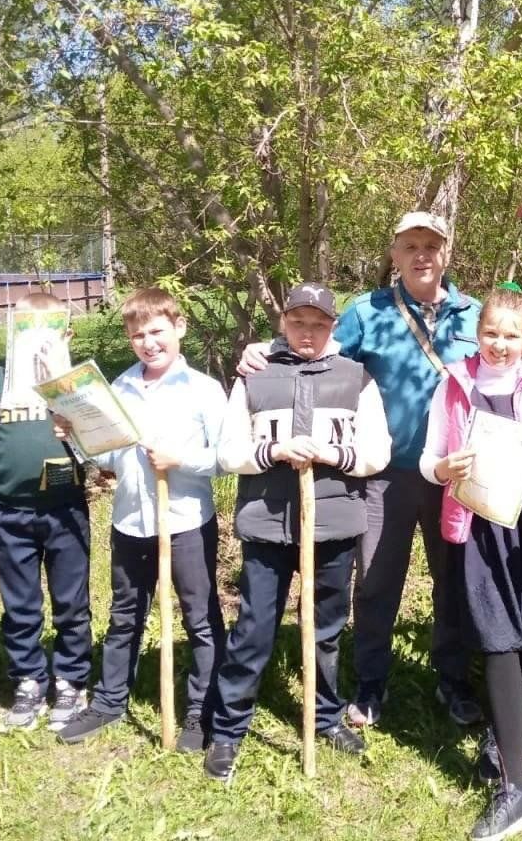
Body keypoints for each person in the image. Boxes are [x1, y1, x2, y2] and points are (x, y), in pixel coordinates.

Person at [239, 211, 482, 728]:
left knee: (453, 582)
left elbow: (500, 371)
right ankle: (371, 683)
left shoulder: (471, 315)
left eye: (431, 246)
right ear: (393, 255)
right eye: (410, 246)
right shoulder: (367, 312)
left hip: (453, 475)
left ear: (446, 253)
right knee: (375, 582)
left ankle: (453, 679)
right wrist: (264, 350)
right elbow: (315, 351)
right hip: (383, 476)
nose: (422, 255)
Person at [204, 283, 392, 781]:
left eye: (318, 323)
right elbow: (228, 452)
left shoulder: (356, 379)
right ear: (283, 322)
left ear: (333, 327)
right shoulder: (256, 376)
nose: (307, 333)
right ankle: (228, 729)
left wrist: (332, 455)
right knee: (254, 629)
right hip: (267, 524)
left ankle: (325, 716)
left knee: (326, 630)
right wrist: (275, 452)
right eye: (298, 322)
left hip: (332, 525)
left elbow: (378, 452)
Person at [422, 287, 522, 841]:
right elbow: (428, 460)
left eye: (511, 335)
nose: (499, 343)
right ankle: (518, 790)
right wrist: (445, 467)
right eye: (491, 332)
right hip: (478, 526)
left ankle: (502, 735)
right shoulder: (453, 385)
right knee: (496, 637)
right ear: (478, 332)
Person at [54, 287, 226, 752]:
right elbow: (105, 458)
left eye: (156, 332)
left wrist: (180, 459)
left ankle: (201, 711)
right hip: (131, 520)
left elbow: (227, 457)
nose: (148, 343)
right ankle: (109, 702)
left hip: (185, 521)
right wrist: (75, 436)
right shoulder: (119, 388)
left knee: (201, 618)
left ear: (179, 327)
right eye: (137, 335)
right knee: (125, 616)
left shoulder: (204, 390)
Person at [0, 291, 93, 732]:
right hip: (12, 515)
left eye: (48, 329)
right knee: (20, 605)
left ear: (66, 332)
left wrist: (68, 402)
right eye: (25, 329)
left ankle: (71, 679)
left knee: (71, 603)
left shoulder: (78, 383)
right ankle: (29, 679)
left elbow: (98, 443)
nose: (37, 340)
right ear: (12, 333)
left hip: (66, 512)